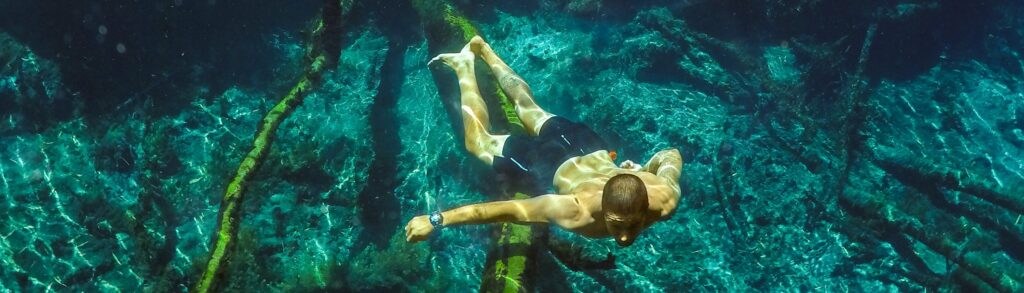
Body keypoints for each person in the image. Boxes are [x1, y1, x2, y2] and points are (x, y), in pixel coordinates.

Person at [405, 36, 683, 247]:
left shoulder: (665, 197)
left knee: (526, 106)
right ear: (604, 209)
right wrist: (435, 220)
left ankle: (484, 49)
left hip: (586, 143)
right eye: (616, 224)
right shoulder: (576, 212)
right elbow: (502, 211)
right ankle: (464, 66)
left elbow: (670, 155)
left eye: (633, 225)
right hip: (548, 161)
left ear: (646, 206)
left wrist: (645, 169)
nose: (623, 237)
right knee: (477, 142)